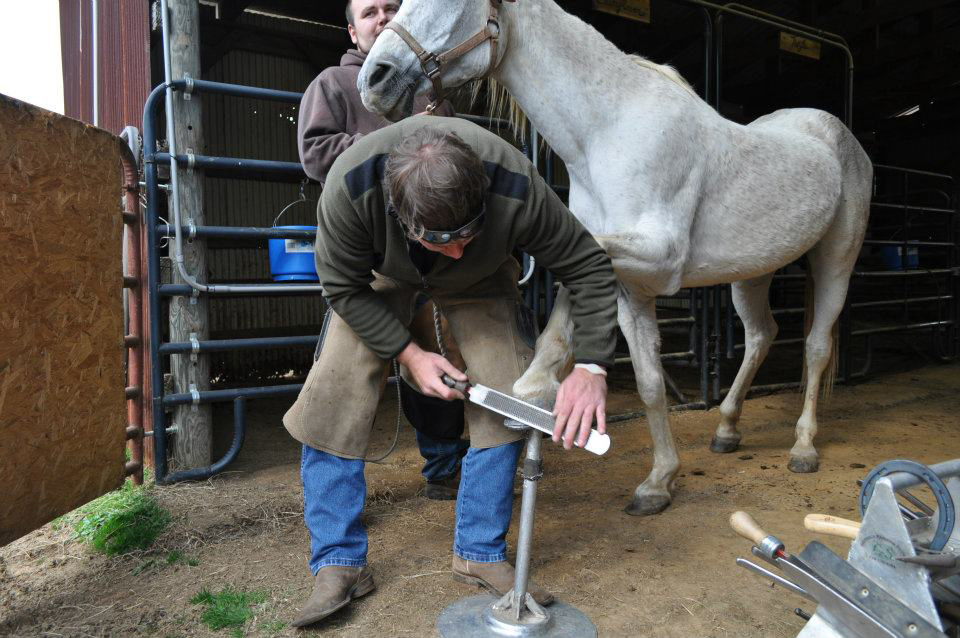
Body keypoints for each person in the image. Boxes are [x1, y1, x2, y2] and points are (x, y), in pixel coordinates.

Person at [284, 116, 619, 627]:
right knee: (333, 395)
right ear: (400, 214)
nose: (457, 246)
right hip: (378, 277)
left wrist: (591, 365)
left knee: (510, 393)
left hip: (483, 279)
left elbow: (588, 266)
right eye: (443, 238)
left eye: (468, 232)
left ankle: (479, 550)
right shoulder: (350, 186)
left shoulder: (515, 185)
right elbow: (342, 286)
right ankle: (338, 562)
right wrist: (410, 354)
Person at [297, 0, 464, 500]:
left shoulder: (431, 95)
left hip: (430, 260)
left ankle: (443, 467)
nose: (384, 17)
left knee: (434, 367)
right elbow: (315, 154)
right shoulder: (332, 83)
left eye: (393, 8)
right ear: (353, 31)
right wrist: (398, 143)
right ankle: (341, 505)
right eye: (370, 12)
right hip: (365, 263)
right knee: (347, 385)